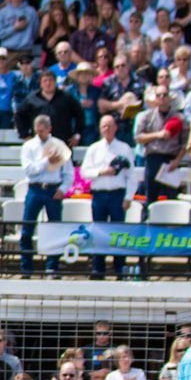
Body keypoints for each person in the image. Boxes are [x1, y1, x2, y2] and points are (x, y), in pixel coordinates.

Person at [17, 112, 74, 276]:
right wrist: (46, 161)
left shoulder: (59, 145)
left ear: (50, 129)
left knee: (55, 228)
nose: (39, 133)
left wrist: (63, 189)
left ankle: (52, 267)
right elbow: (29, 170)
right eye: (37, 130)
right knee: (27, 227)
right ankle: (26, 267)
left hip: (53, 190)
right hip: (35, 188)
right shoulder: (29, 146)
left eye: (42, 130)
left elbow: (68, 172)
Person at [79, 114, 135, 278]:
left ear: (116, 128)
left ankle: (120, 268)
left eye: (110, 125)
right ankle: (98, 269)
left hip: (118, 195)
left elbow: (131, 176)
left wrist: (128, 197)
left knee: (118, 233)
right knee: (98, 232)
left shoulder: (124, 148)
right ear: (100, 128)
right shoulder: (94, 148)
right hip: (99, 195)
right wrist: (102, 172)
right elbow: (84, 172)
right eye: (104, 126)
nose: (107, 129)